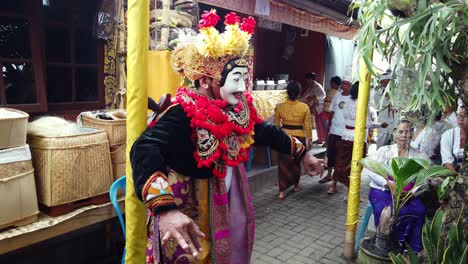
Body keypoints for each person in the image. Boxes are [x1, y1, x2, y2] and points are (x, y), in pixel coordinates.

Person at [130, 11, 324, 264]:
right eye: (236, 79)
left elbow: (263, 131)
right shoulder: (182, 112)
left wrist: (302, 153)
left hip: (229, 198)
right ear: (206, 80)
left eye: (244, 79)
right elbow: (144, 148)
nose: (243, 88)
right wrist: (165, 209)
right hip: (190, 205)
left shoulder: (237, 109)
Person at [363, 120, 428, 252]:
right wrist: (388, 184)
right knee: (386, 212)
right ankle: (386, 246)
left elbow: (424, 181)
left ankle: (408, 249)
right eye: (401, 131)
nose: (404, 135)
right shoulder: (385, 151)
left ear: (412, 134)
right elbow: (371, 170)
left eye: (408, 131)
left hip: (407, 195)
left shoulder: (419, 156)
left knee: (419, 210)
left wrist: (412, 193)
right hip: (383, 191)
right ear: (394, 133)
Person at [328, 81, 387, 194]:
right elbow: (368, 124)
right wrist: (381, 124)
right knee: (356, 166)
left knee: (340, 163)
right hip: (358, 139)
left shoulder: (347, 102)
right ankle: (350, 193)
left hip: (345, 136)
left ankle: (333, 185)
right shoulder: (363, 105)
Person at [274, 81, 313, 199]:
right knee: (296, 162)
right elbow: (308, 125)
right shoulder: (304, 107)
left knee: (282, 164)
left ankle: (282, 191)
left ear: (287, 92)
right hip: (299, 137)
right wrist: (310, 139)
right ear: (299, 93)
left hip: (284, 137)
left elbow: (276, 125)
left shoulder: (280, 107)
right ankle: (296, 185)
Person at [319, 80, 352, 184]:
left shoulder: (353, 99)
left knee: (340, 157)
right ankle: (328, 175)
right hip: (334, 130)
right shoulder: (337, 96)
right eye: (343, 83)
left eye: (347, 84)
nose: (344, 86)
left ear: (351, 86)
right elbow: (332, 112)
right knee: (331, 154)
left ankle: (335, 181)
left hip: (345, 133)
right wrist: (329, 125)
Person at [440, 105, 467, 172]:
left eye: (464, 116)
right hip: (454, 174)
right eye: (458, 115)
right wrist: (457, 179)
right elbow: (447, 161)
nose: (460, 119)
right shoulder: (448, 134)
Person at [302, 72, 326, 142]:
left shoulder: (317, 86)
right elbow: (306, 94)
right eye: (307, 79)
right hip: (316, 106)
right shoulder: (311, 86)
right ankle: (319, 138)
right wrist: (302, 98)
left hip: (320, 106)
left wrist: (313, 99)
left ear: (311, 79)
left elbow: (323, 96)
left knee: (321, 123)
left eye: (308, 79)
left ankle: (322, 138)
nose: (307, 81)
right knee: (317, 123)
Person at [374, 70, 396, 149]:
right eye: (383, 82)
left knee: (393, 149)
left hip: (395, 125)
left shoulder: (397, 94)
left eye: (387, 82)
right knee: (380, 148)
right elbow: (377, 108)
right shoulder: (377, 95)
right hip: (383, 125)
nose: (384, 84)